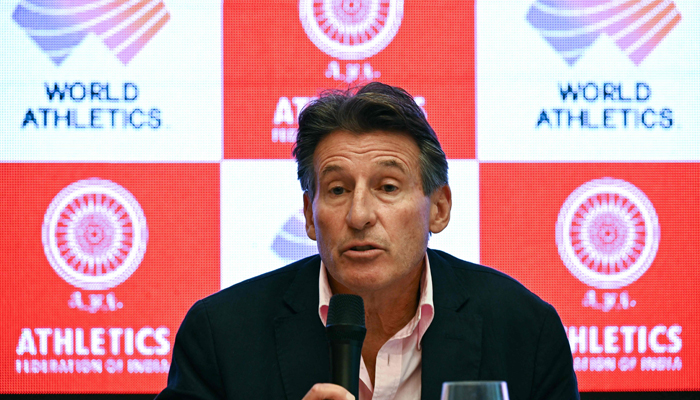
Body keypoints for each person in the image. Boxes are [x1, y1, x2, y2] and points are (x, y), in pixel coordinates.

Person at [156, 82, 579, 400]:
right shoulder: (222, 335)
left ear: (439, 208)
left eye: (388, 187)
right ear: (309, 215)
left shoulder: (524, 329)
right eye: (338, 190)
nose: (359, 216)